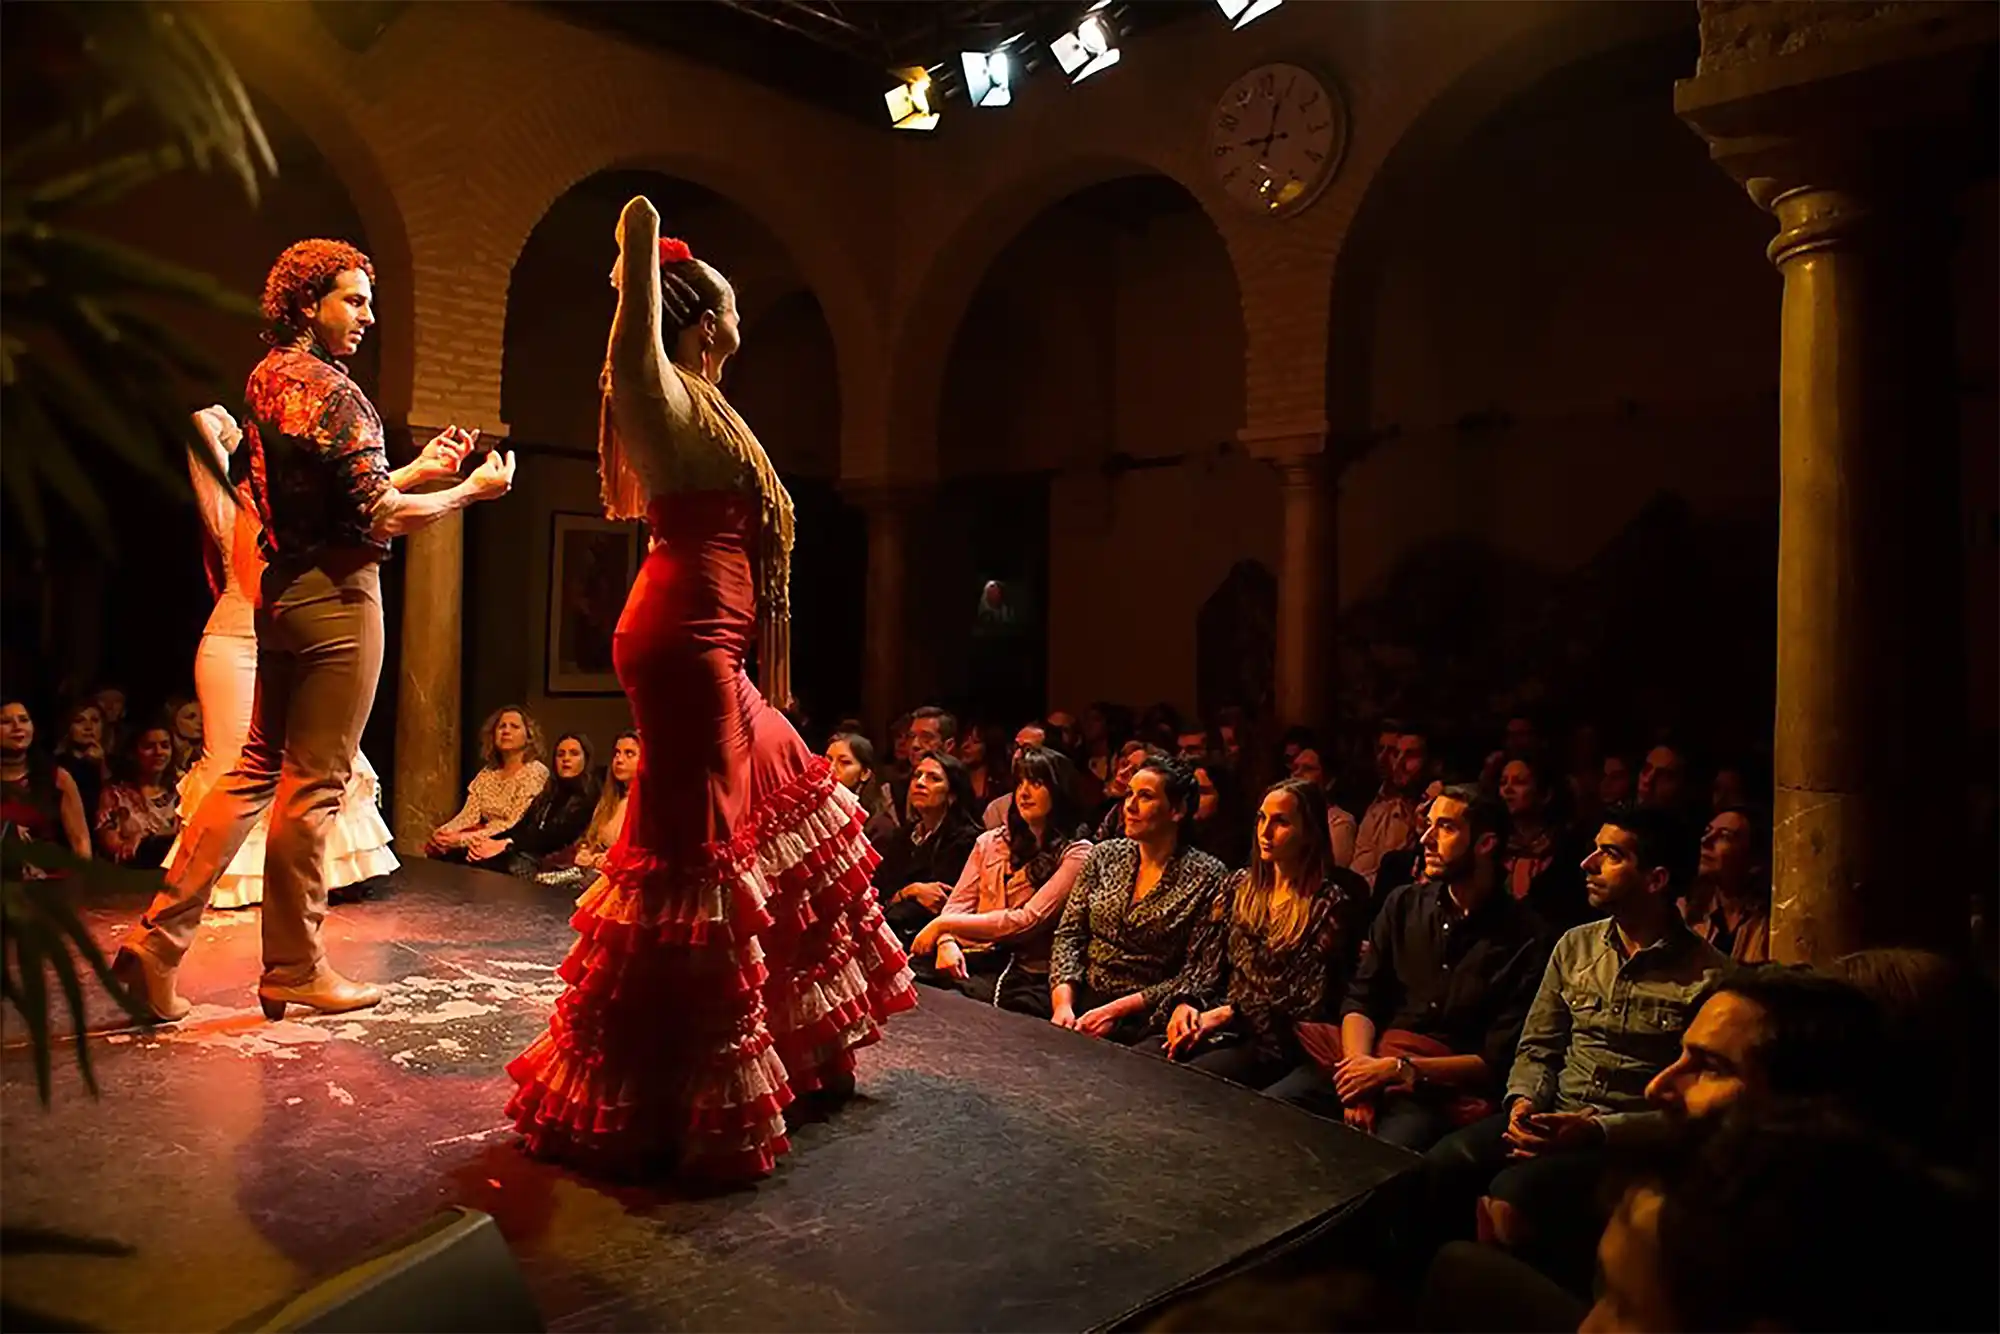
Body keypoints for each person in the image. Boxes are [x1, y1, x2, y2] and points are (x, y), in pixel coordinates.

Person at [506, 198, 913, 1181]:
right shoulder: (661, 394)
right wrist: (640, 244)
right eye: (726, 304)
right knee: (700, 859)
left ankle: (791, 1049)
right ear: (701, 318)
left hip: (717, 644)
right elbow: (632, 347)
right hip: (680, 641)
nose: (740, 319)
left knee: (781, 795)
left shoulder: (712, 400)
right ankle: (678, 1096)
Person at [110, 236, 516, 1023]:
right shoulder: (335, 393)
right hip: (337, 596)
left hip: (284, 593)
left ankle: (155, 944)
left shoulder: (267, 379)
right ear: (307, 303)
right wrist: (468, 493)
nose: (368, 316)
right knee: (313, 784)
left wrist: (420, 471)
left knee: (253, 770)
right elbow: (379, 517)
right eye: (354, 300)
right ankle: (294, 964)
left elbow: (325, 503)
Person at [1425, 806, 1726, 1287]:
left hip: (1623, 1139)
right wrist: (1524, 1104)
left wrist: (1597, 1131)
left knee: (1511, 1198)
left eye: (1610, 855)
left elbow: (1696, 1109)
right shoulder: (1575, 947)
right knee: (1437, 1167)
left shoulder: (1709, 977)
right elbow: (1539, 1046)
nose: (1587, 864)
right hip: (1552, 1114)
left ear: (1656, 878)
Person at [163, 405, 399, 911]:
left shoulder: (310, 519)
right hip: (234, 643)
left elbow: (372, 501)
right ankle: (224, 878)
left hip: (295, 636)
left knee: (314, 760)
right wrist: (225, 429)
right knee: (235, 763)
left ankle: (320, 876)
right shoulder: (233, 506)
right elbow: (200, 432)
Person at [1265, 786, 1548, 1151]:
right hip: (1366, 1059)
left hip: (1432, 1087)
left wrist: (1399, 1069)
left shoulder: (1525, 936)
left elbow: (1495, 1060)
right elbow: (1362, 999)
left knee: (1379, 1160)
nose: (1427, 839)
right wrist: (1360, 1075)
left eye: (1445, 828)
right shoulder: (1404, 903)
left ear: (1485, 843)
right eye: (1428, 826)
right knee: (1268, 1113)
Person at [1144, 779, 1369, 1089]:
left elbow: (1305, 1001)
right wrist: (1187, 1004)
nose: (1265, 832)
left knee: (1185, 1081)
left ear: (1308, 832)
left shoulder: (1327, 905)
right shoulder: (1238, 886)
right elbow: (1203, 963)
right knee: (1143, 1061)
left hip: (1272, 1039)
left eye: (1281, 822)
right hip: (1218, 1020)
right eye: (1262, 818)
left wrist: (1226, 1015)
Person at [1049, 756, 1229, 1044]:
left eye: (1145, 796)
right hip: (1083, 995)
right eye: (1129, 793)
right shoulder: (1105, 855)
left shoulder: (1208, 877)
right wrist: (1063, 1004)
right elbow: (1069, 934)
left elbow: (1197, 972)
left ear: (1177, 810)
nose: (1129, 806)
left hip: (1149, 1012)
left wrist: (1116, 1011)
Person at [908, 746, 1092, 1018]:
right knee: (913, 985)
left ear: (1059, 791)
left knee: (964, 1006)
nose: (1024, 793)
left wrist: (941, 926)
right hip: (975, 954)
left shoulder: (1077, 852)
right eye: (1020, 783)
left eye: (1037, 784)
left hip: (1030, 973)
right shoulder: (991, 842)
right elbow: (957, 905)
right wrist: (946, 941)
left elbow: (1026, 921)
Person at [870, 750, 981, 946]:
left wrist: (900, 896)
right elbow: (880, 891)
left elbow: (936, 902)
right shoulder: (902, 835)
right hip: (891, 930)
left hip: (934, 940)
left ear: (952, 795)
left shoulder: (968, 841)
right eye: (917, 775)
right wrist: (911, 891)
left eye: (933, 779)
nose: (920, 783)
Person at [466, 732, 599, 877]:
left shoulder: (589, 797)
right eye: (560, 754)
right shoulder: (549, 792)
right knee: (472, 855)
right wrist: (490, 842)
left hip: (556, 863)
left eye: (573, 754)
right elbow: (522, 826)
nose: (566, 759)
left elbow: (553, 838)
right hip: (528, 852)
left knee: (508, 865)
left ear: (586, 759)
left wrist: (505, 845)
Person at [425, 706, 550, 858]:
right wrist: (445, 832)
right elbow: (469, 814)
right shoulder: (488, 773)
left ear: (529, 736)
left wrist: (461, 840)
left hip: (511, 843)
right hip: (481, 837)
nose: (506, 731)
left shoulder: (535, 771)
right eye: (501, 727)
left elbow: (512, 824)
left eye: (514, 727)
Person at [536, 731, 640, 892]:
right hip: (595, 870)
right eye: (617, 754)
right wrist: (586, 851)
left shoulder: (647, 807)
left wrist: (603, 859)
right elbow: (592, 839)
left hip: (624, 879)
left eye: (629, 754)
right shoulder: (610, 800)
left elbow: (639, 855)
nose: (619, 760)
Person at [0, 698, 93, 864]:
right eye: (6, 722)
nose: (17, 727)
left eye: (24, 720)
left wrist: (83, 879)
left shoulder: (58, 778)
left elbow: (81, 842)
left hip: (51, 879)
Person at [94, 722, 182, 866]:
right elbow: (112, 847)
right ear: (133, 752)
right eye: (149, 746)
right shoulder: (115, 794)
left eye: (165, 746)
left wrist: (146, 837)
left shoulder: (182, 789)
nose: (158, 752)